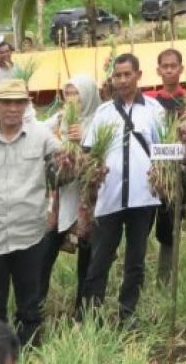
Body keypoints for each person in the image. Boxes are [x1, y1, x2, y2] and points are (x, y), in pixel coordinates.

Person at [79, 54, 165, 324]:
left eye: (128, 74)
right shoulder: (102, 114)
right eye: (118, 75)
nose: (123, 80)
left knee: (135, 261)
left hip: (143, 198)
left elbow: (164, 152)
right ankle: (91, 316)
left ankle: (127, 313)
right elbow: (90, 155)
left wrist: (162, 175)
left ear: (139, 75)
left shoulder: (154, 110)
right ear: (112, 79)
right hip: (110, 197)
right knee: (100, 259)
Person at [0, 79, 59, 348]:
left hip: (30, 235)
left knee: (30, 302)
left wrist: (75, 147)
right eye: (6, 102)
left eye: (19, 102)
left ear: (26, 106)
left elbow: (66, 165)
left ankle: (29, 349)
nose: (13, 108)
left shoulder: (41, 136)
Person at [38, 75, 101, 312]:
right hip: (60, 202)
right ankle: (33, 308)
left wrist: (83, 140)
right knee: (44, 255)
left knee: (87, 257)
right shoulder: (60, 119)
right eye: (69, 94)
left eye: (77, 93)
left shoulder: (98, 121)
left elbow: (103, 157)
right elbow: (37, 130)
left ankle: (82, 311)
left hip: (87, 203)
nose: (72, 99)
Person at [143, 48, 186, 285]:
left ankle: (165, 279)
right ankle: (137, 273)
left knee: (170, 226)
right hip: (151, 172)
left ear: (181, 69)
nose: (169, 70)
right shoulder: (149, 100)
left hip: (177, 172)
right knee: (143, 220)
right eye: (165, 66)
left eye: (173, 66)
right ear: (158, 70)